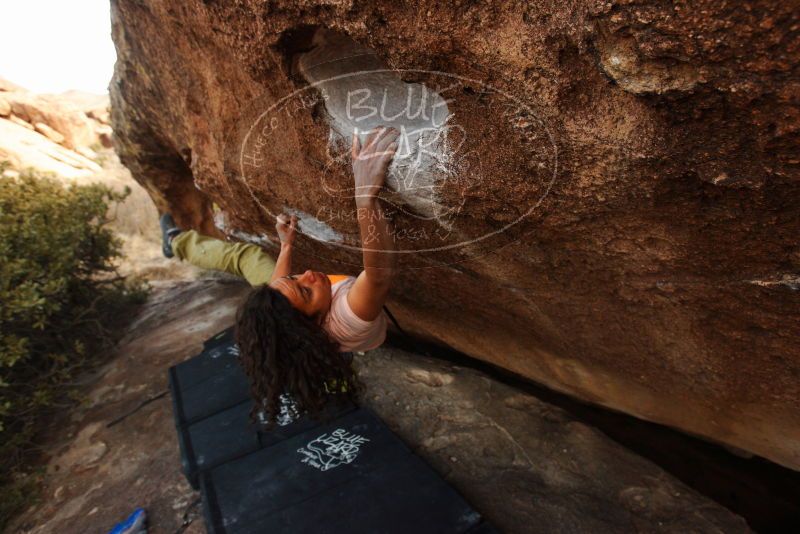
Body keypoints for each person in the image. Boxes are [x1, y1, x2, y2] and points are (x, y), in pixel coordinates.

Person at [160, 127, 399, 424]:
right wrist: (365, 198)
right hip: (347, 320)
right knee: (251, 260)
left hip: (289, 310)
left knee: (248, 256)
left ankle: (174, 241)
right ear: (313, 324)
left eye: (294, 280)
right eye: (306, 291)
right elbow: (378, 277)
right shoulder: (346, 319)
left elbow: (278, 287)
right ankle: (177, 244)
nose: (309, 274)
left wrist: (286, 244)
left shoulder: (282, 307)